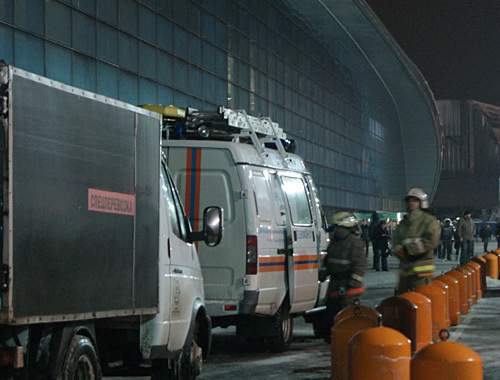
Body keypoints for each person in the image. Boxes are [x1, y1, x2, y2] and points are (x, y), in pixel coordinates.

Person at [319, 212, 366, 342]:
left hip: (350, 288)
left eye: (337, 226)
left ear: (345, 227)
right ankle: (335, 336)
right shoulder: (335, 242)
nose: (335, 229)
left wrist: (352, 284)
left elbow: (359, 265)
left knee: (347, 313)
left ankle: (349, 337)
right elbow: (328, 260)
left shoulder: (354, 243)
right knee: (332, 311)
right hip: (335, 283)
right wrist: (323, 272)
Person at [392, 188, 439, 295]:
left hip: (422, 271)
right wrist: (397, 249)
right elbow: (396, 239)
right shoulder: (404, 223)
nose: (411, 203)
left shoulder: (429, 220)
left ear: (422, 203)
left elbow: (432, 241)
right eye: (409, 201)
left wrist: (409, 250)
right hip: (405, 270)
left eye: (415, 200)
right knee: (404, 302)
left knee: (422, 301)